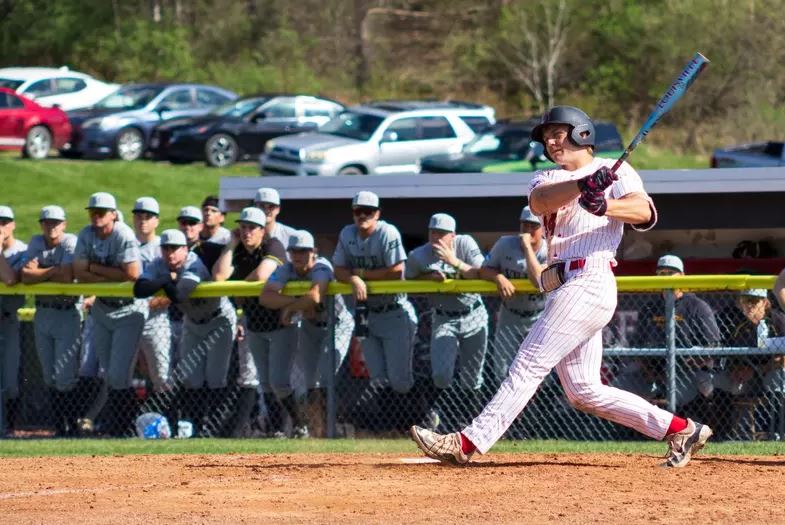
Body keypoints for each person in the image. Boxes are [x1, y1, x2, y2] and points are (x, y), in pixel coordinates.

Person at [410, 105, 712, 468]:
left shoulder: (617, 170)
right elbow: (541, 201)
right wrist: (584, 185)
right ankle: (682, 429)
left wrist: (604, 205)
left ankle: (468, 442)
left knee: (529, 362)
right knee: (583, 391)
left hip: (590, 279)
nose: (551, 142)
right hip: (563, 285)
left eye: (558, 134)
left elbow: (644, 212)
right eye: (546, 137)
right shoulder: (547, 176)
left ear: (582, 133)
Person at [134, 229, 236, 437]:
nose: (170, 253)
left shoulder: (193, 263)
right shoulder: (159, 264)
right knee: (192, 378)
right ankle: (198, 430)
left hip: (217, 319)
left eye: (175, 248)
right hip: (192, 321)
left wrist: (163, 282)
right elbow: (139, 289)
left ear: (185, 249)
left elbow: (179, 294)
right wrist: (165, 280)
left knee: (216, 378)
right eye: (166, 248)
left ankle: (216, 430)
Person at [259, 230, 354, 437]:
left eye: (303, 251)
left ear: (314, 252)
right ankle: (315, 429)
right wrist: (294, 304)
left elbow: (315, 296)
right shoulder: (287, 268)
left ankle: (332, 430)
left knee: (325, 374)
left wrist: (291, 309)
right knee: (311, 381)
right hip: (311, 326)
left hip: (336, 324)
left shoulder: (321, 266)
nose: (298, 255)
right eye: (294, 251)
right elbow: (265, 296)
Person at [73, 192, 145, 436]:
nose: (96, 216)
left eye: (101, 212)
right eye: (93, 212)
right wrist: (113, 274)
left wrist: (94, 268)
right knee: (108, 374)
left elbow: (133, 273)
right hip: (102, 308)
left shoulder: (123, 234)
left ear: (113, 214)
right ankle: (118, 427)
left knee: (118, 374)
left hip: (128, 309)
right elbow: (79, 272)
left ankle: (124, 427)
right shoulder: (86, 234)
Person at [405, 213, 487, 426]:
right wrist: (427, 278)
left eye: (442, 234)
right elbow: (407, 280)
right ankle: (437, 417)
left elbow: (481, 273)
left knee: (472, 377)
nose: (436, 238)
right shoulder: (418, 255)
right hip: (444, 318)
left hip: (473, 314)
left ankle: (470, 422)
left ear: (453, 235)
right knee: (441, 374)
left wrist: (454, 262)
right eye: (433, 232)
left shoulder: (465, 244)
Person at [333, 191, 418, 396]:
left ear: (377, 214)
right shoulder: (347, 233)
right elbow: (338, 269)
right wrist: (354, 279)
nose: (362, 215)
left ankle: (419, 411)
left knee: (400, 381)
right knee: (377, 378)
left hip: (394, 311)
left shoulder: (387, 232)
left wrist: (361, 274)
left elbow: (397, 271)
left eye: (368, 211)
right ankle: (388, 417)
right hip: (364, 312)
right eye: (358, 211)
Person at [213, 207, 287, 436]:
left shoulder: (272, 245)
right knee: (257, 378)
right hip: (254, 321)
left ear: (262, 230)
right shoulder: (239, 250)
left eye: (252, 228)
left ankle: (292, 426)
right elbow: (219, 276)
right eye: (243, 227)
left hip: (281, 321)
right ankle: (265, 430)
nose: (247, 232)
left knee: (279, 379)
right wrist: (231, 244)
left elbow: (263, 274)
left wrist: (239, 289)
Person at [620, 254, 720, 410]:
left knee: (678, 396)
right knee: (619, 385)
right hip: (652, 369)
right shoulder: (649, 307)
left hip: (689, 370)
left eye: (671, 273)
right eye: (661, 273)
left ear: (682, 276)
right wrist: (651, 371)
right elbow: (637, 345)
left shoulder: (697, 306)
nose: (665, 277)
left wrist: (689, 364)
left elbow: (714, 345)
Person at [20, 205, 81, 436]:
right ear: (41, 225)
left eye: (56, 222)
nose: (51, 226)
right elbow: (26, 276)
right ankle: (59, 427)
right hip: (43, 312)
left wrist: (42, 272)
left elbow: (67, 275)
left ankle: (72, 426)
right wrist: (54, 270)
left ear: (64, 224)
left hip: (67, 312)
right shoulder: (37, 242)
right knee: (48, 376)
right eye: (47, 222)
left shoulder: (70, 241)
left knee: (65, 376)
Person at [480, 206, 548, 383]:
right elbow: (484, 269)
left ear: (542, 228)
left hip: (539, 316)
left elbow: (538, 280)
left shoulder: (550, 248)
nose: (528, 230)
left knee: (540, 372)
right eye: (525, 225)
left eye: (533, 226)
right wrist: (498, 277)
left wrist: (527, 248)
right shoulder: (505, 244)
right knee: (503, 371)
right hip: (510, 315)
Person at [713, 289, 785, 438]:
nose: (749, 305)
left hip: (771, 370)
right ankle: (722, 434)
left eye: (754, 301)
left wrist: (759, 369)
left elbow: (782, 359)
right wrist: (735, 370)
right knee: (719, 381)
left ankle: (778, 432)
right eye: (745, 301)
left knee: (777, 379)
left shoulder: (778, 321)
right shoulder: (737, 324)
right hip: (747, 376)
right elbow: (731, 355)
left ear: (765, 303)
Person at [131, 197, 172, 393]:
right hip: (127, 316)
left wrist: (154, 303)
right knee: (118, 374)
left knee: (162, 375)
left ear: (157, 220)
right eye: (139, 216)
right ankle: (123, 412)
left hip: (156, 319)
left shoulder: (164, 247)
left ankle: (166, 411)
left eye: (148, 217)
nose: (143, 220)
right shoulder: (126, 244)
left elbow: (175, 284)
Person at [0, 205, 27, 434]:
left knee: (10, 382)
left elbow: (10, 279)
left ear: (13, 224)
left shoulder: (22, 251)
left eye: (4, 222)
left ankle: (9, 428)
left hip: (8, 320)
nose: (0, 227)